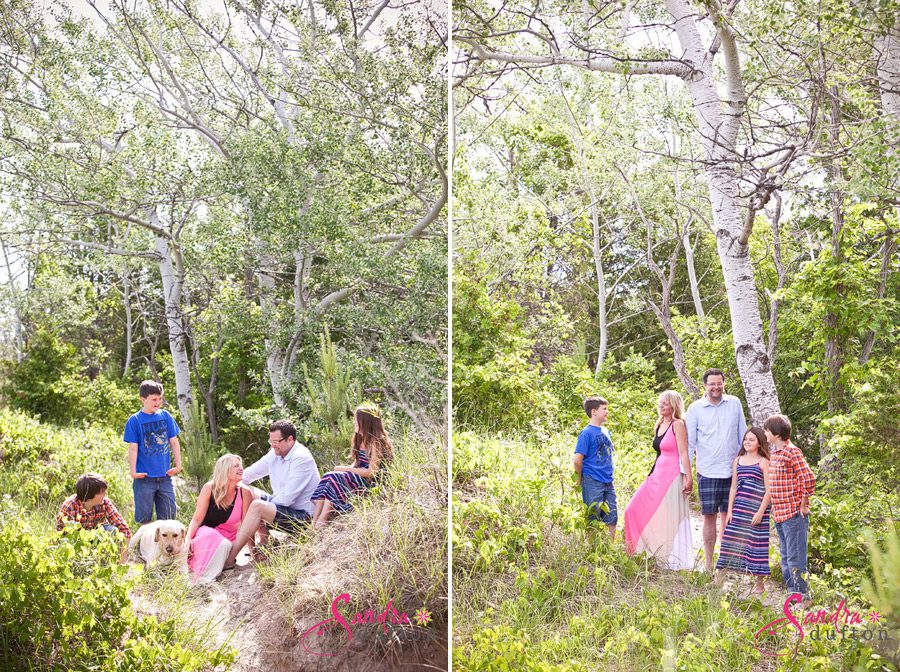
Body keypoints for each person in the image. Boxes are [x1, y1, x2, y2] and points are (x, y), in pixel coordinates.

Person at [222, 419, 320, 569]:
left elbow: (286, 500)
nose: (273, 445)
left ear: (290, 439)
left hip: (303, 518)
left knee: (257, 506)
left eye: (277, 441)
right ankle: (265, 542)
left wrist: (260, 510)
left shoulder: (301, 458)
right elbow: (248, 475)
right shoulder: (275, 452)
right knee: (245, 490)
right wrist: (220, 484)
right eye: (271, 441)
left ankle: (230, 559)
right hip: (284, 509)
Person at [685, 368, 747, 572]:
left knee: (729, 517)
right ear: (705, 386)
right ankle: (709, 564)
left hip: (732, 470)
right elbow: (690, 444)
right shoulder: (695, 409)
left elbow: (742, 435)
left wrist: (745, 464)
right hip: (708, 470)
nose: (716, 387)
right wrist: (686, 473)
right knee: (709, 516)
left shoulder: (734, 403)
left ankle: (726, 564)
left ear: (723, 383)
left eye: (719, 383)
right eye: (712, 383)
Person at [624, 391, 693, 569]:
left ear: (674, 406)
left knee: (668, 516)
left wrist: (688, 477)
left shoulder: (678, 425)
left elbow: (684, 453)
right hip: (656, 475)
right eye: (660, 403)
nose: (661, 406)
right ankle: (639, 552)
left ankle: (670, 558)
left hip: (672, 476)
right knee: (631, 510)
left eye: (665, 403)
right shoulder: (659, 424)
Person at [310, 404, 393, 528]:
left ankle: (322, 520)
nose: (354, 423)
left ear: (366, 423)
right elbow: (357, 463)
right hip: (358, 478)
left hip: (370, 483)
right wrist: (346, 469)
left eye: (357, 420)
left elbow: (372, 472)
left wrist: (344, 469)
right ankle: (314, 522)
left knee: (335, 477)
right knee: (329, 476)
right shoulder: (360, 439)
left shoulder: (376, 442)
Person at [764, 414, 815, 602]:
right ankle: (792, 595)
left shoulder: (792, 452)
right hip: (779, 514)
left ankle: (803, 597)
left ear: (776, 433)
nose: (765, 433)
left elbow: (808, 478)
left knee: (795, 560)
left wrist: (803, 503)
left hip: (793, 514)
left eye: (767, 430)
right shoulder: (775, 452)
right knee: (785, 559)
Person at [714, 427, 772, 594]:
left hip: (756, 511)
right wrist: (730, 510)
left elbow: (769, 490)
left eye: (752, 439)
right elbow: (733, 488)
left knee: (757, 544)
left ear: (760, 442)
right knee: (729, 540)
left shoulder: (764, 462)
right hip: (738, 508)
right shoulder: (737, 460)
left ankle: (759, 584)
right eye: (746, 439)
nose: (747, 442)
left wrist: (760, 512)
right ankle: (719, 578)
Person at [186, 454, 255, 584]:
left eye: (241, 466)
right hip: (205, 536)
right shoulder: (209, 488)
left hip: (228, 539)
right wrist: (188, 539)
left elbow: (247, 526)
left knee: (225, 544)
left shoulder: (245, 492)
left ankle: (213, 570)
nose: (241, 468)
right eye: (236, 466)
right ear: (224, 470)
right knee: (215, 537)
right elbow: (196, 519)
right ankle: (201, 578)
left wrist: (253, 552)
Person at [123, 380, 182, 524]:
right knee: (144, 520)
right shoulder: (135, 420)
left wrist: (178, 465)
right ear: (143, 399)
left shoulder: (166, 416)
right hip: (144, 478)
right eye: (154, 399)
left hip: (165, 476)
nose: (158, 402)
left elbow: (174, 442)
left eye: (160, 398)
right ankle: (143, 546)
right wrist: (133, 472)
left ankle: (165, 547)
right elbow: (133, 448)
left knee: (169, 518)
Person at [56, 473, 132, 562]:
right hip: (75, 542)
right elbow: (63, 535)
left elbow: (124, 530)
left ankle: (105, 560)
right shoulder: (70, 506)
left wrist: (122, 562)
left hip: (96, 537)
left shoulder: (105, 503)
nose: (105, 494)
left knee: (113, 531)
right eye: (102, 492)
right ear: (90, 495)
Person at [573, 396, 617, 539]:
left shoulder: (605, 431)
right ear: (594, 412)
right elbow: (577, 460)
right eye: (604, 409)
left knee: (612, 515)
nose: (607, 412)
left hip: (608, 481)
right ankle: (591, 548)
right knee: (593, 517)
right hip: (592, 480)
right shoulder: (586, 433)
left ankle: (610, 547)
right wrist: (579, 479)